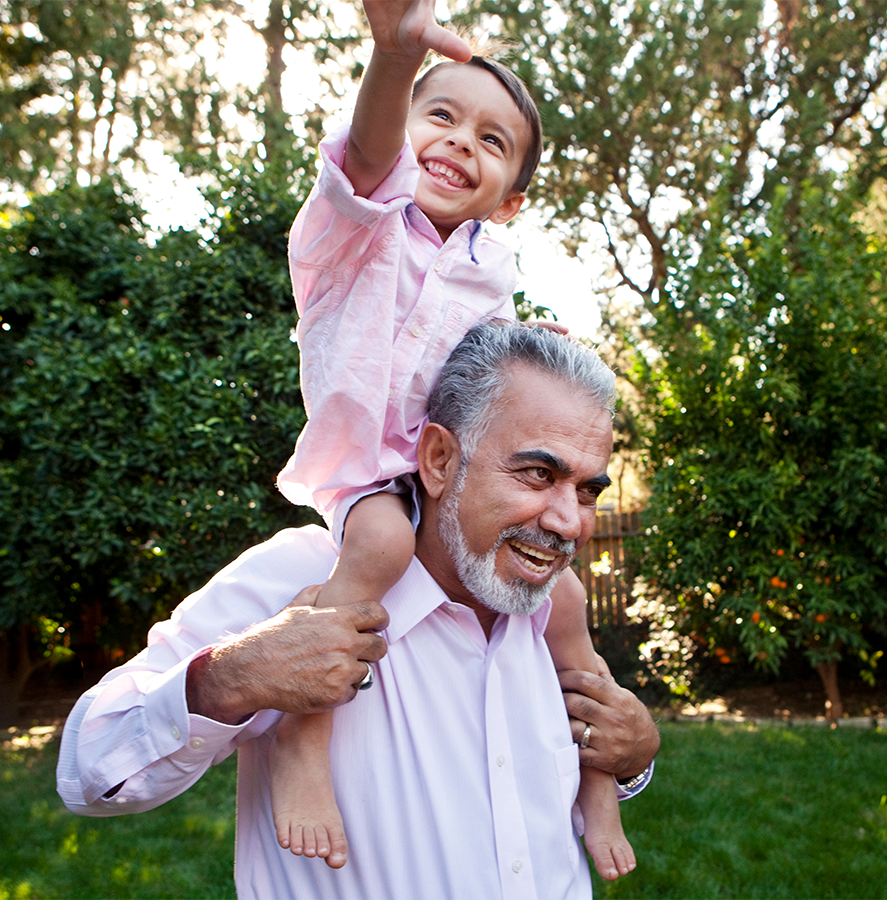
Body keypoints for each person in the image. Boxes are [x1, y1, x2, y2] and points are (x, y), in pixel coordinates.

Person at [56, 321, 660, 900]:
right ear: (440, 460)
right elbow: (90, 771)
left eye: (586, 490)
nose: (568, 521)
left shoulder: (555, 615)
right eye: (537, 473)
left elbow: (548, 795)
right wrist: (231, 676)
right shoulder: (305, 580)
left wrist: (631, 761)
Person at [270, 0, 635, 877]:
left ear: (509, 201)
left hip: (449, 472)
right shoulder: (353, 230)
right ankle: (302, 744)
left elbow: (507, 379)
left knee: (573, 608)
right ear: (404, 131)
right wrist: (392, 62)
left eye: (492, 139)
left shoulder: (490, 275)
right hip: (371, 475)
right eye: (442, 116)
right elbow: (362, 159)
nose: (461, 141)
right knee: (382, 544)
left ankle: (600, 785)